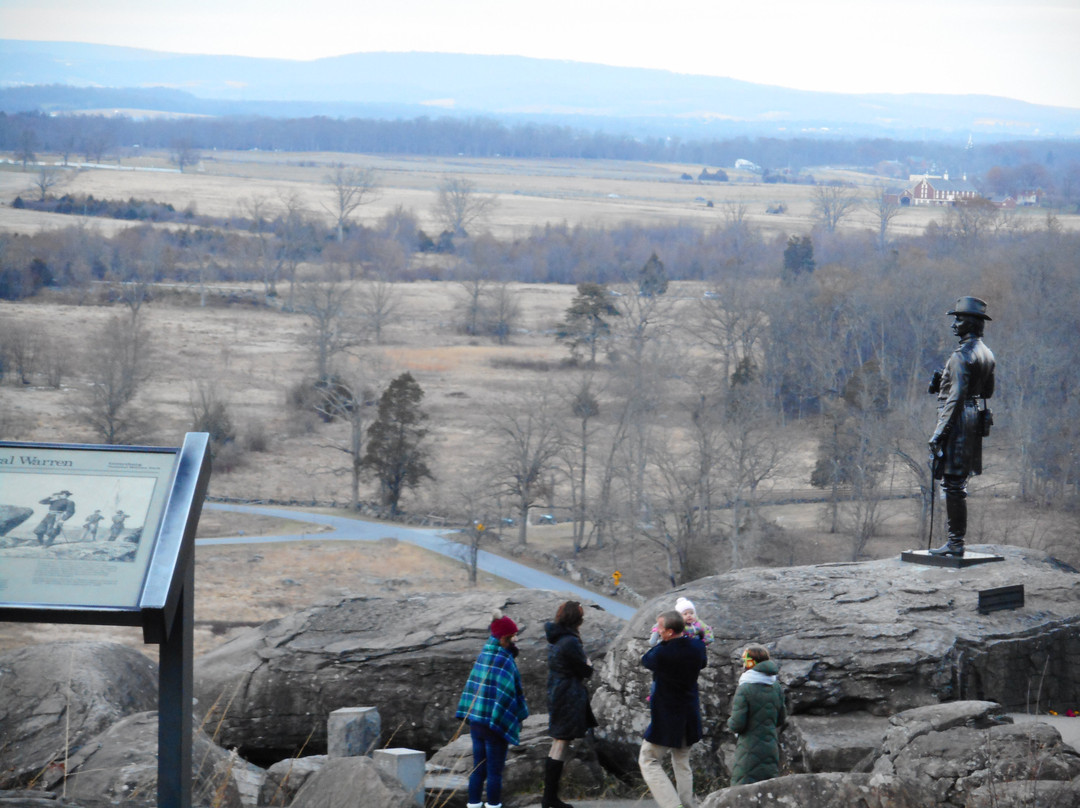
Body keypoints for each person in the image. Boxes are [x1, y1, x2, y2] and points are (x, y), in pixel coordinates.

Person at [927, 296, 996, 557]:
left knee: (953, 485)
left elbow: (954, 400)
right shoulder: (987, 353)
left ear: (971, 322)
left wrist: (938, 434)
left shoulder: (961, 356)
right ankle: (955, 541)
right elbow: (987, 390)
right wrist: (943, 384)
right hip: (972, 418)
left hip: (956, 421)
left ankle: (955, 543)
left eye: (958, 319)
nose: (954, 324)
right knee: (957, 483)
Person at [456, 610, 530, 808]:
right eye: (513, 635)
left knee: (478, 770)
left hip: (477, 723)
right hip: (495, 726)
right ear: (504, 637)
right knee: (495, 772)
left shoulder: (484, 654)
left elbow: (472, 689)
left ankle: (473, 805)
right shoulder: (504, 659)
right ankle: (494, 806)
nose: (516, 639)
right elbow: (512, 693)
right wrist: (518, 715)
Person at [638, 610, 708, 808]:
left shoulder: (661, 653)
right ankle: (687, 804)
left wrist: (660, 641)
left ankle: (672, 805)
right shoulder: (697, 646)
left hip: (667, 715)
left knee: (648, 760)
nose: (657, 631)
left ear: (669, 632)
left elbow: (646, 659)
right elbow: (703, 663)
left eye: (660, 628)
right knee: (682, 761)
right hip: (689, 711)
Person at [543, 600, 597, 808]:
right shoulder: (570, 642)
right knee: (561, 742)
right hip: (568, 695)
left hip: (558, 691)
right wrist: (588, 665)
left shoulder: (556, 638)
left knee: (559, 741)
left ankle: (549, 797)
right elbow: (584, 671)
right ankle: (549, 798)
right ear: (577, 620)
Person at [727, 644, 786, 786]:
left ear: (749, 662)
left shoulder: (745, 688)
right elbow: (781, 718)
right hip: (771, 746)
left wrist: (729, 722)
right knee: (769, 789)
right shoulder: (776, 685)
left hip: (749, 748)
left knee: (742, 789)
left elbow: (737, 724)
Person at [648, 597, 714, 646]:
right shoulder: (676, 623)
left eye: (691, 613)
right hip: (678, 643)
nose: (689, 616)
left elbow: (707, 630)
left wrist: (704, 641)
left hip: (693, 644)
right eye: (685, 614)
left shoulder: (698, 623)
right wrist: (656, 631)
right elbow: (663, 624)